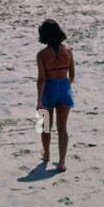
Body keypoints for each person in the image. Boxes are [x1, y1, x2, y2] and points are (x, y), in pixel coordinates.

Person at [35, 18, 75, 172]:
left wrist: (38, 100)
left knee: (45, 126)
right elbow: (71, 74)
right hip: (64, 87)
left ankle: (46, 154)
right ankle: (62, 161)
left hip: (48, 89)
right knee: (62, 128)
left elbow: (41, 79)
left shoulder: (42, 54)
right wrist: (65, 87)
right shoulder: (69, 51)